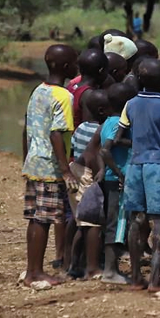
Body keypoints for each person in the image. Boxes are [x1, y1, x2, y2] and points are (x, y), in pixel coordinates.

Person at [114, 58, 160, 291]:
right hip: (158, 167)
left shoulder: (130, 103)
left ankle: (135, 277)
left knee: (137, 220)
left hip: (135, 164)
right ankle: (154, 280)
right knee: (159, 223)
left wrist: (138, 142)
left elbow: (117, 139)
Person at [21, 44, 79, 287]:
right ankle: (35, 273)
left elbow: (26, 127)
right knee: (44, 219)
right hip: (50, 167)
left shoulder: (38, 91)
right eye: (74, 61)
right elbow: (57, 134)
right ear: (67, 67)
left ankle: (31, 269)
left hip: (34, 163)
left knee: (36, 218)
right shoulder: (64, 96)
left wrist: (25, 159)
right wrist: (65, 170)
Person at [66, 90, 108, 279]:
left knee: (79, 221)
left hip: (76, 169)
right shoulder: (101, 130)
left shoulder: (81, 127)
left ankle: (72, 263)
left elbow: (73, 149)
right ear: (102, 110)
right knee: (92, 223)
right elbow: (99, 155)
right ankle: (91, 267)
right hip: (88, 175)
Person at [99, 83, 137, 284]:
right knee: (117, 224)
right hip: (117, 181)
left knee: (116, 223)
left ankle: (112, 268)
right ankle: (110, 271)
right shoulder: (117, 124)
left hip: (113, 178)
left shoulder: (107, 122)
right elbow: (105, 150)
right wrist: (119, 174)